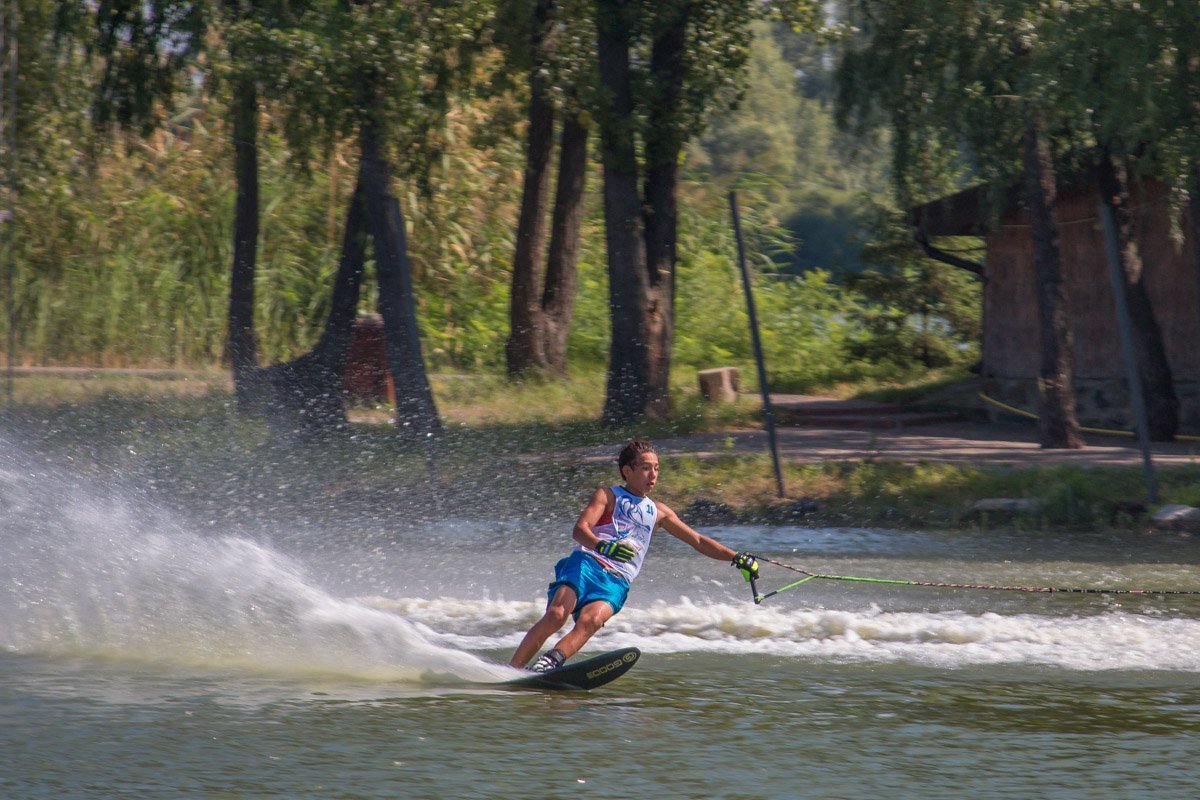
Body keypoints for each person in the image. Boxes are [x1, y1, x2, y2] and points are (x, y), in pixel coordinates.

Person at [509, 438, 760, 672]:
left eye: (657, 469)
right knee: (556, 615)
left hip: (617, 580)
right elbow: (580, 530)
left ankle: (549, 664)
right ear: (627, 471)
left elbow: (698, 541)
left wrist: (736, 557)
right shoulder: (607, 496)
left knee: (591, 621)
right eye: (646, 468)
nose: (653, 475)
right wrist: (602, 546)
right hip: (587, 563)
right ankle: (513, 670)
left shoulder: (659, 512)